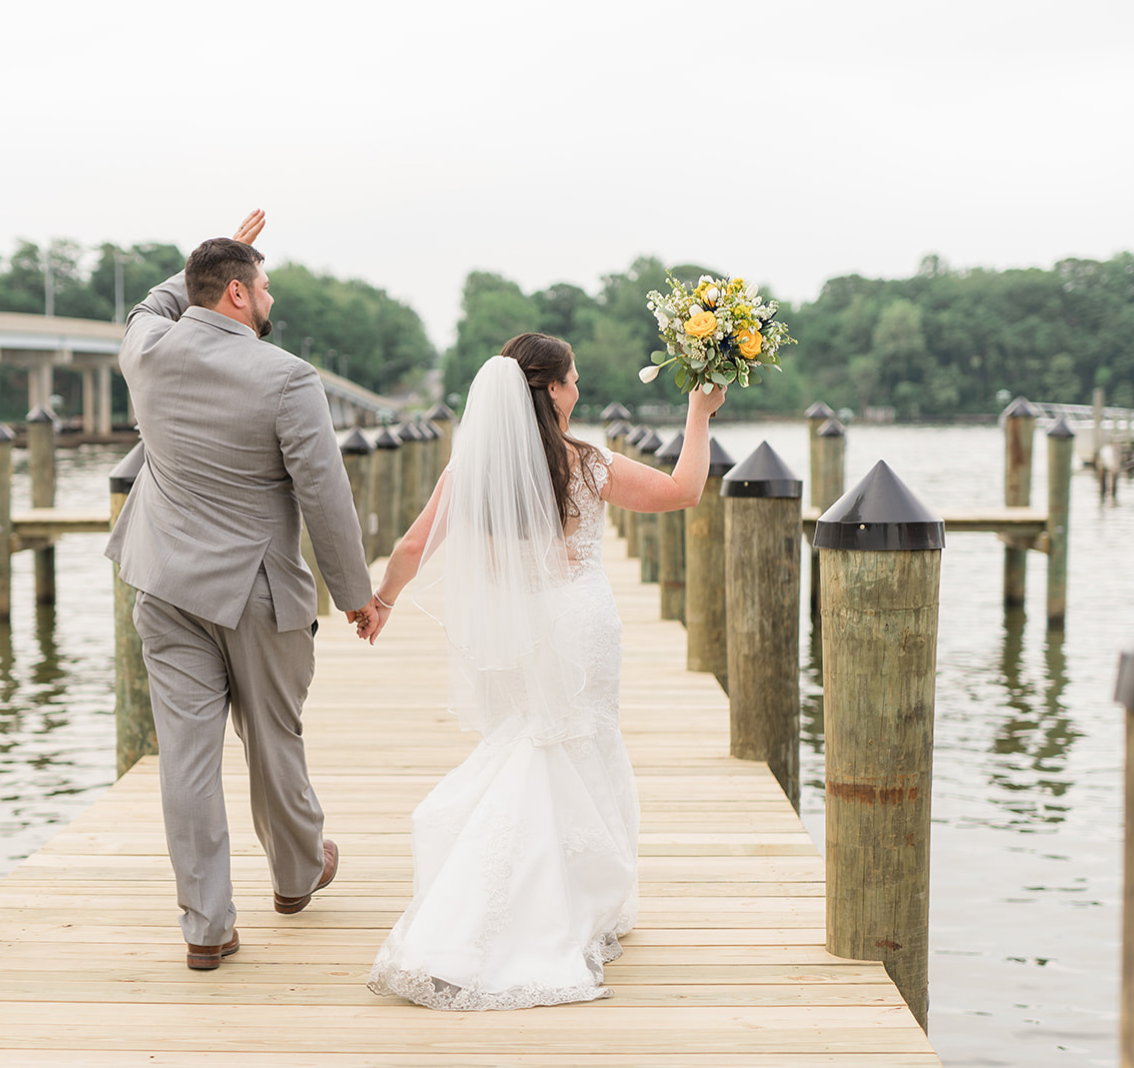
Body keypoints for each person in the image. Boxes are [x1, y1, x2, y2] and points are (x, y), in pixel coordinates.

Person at [357, 333, 725, 1009]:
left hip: (522, 630)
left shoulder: (472, 472)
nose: (578, 389)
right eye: (574, 379)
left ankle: (524, 894)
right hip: (582, 624)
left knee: (535, 738)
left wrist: (381, 603)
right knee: (579, 742)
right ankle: (569, 899)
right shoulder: (586, 464)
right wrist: (700, 412)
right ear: (551, 391)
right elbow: (682, 491)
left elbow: (413, 545)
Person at [104, 211, 373, 971]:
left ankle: (206, 926)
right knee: (273, 736)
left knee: (185, 759)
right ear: (234, 296)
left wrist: (213, 245)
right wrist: (356, 594)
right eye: (263, 284)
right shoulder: (287, 376)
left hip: (163, 584)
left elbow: (150, 307)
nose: (271, 296)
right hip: (254, 591)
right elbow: (326, 495)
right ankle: (296, 875)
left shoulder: (147, 352)